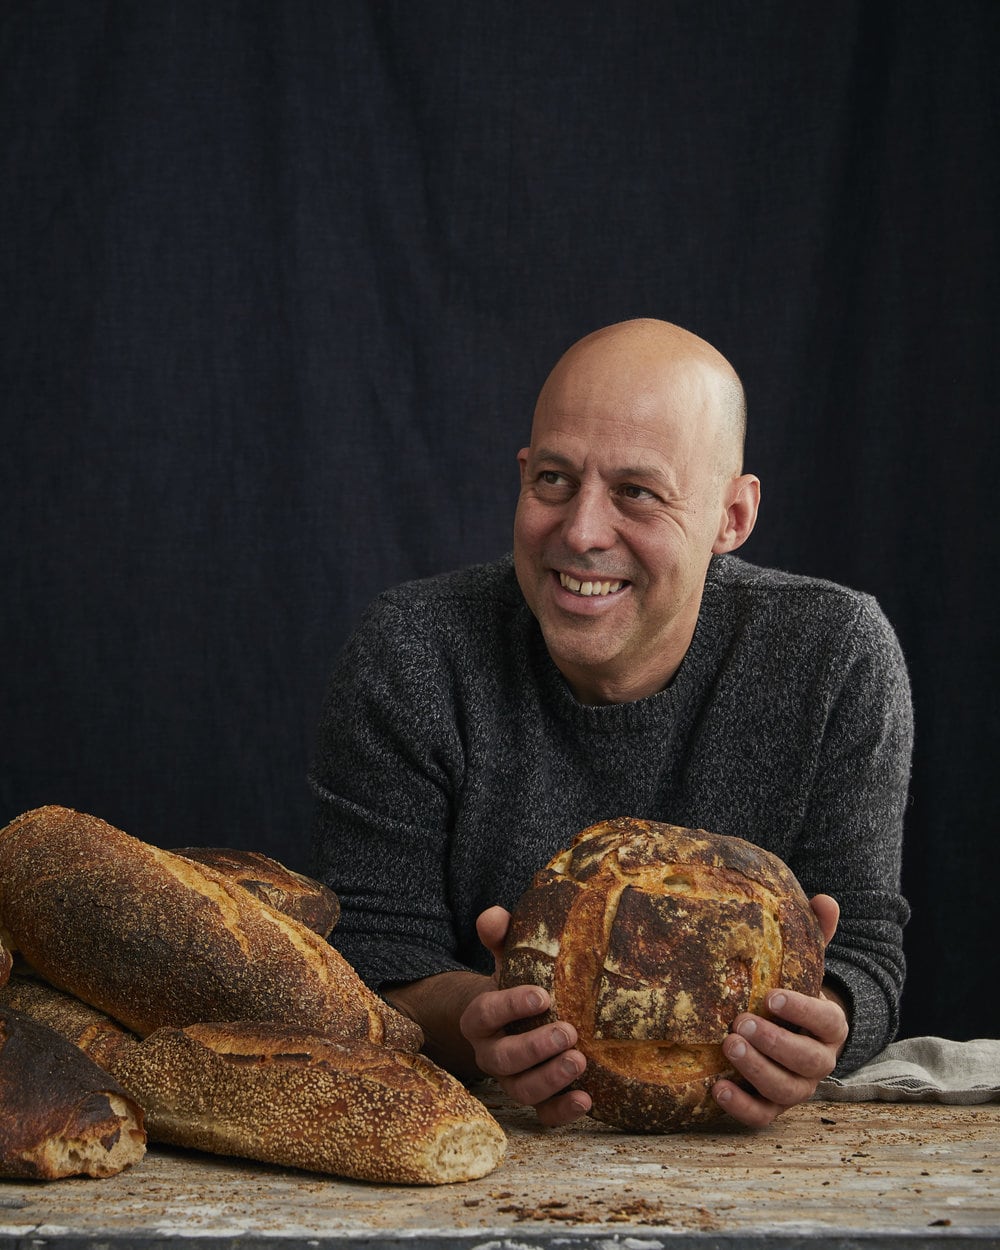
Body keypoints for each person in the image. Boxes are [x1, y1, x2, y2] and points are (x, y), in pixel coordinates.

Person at [309, 318, 912, 1129]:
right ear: (522, 477)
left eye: (638, 492)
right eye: (555, 480)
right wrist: (485, 1019)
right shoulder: (413, 650)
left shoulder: (835, 654)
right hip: (488, 1148)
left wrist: (817, 1021)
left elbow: (865, 949)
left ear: (732, 517)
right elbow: (366, 956)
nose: (583, 532)